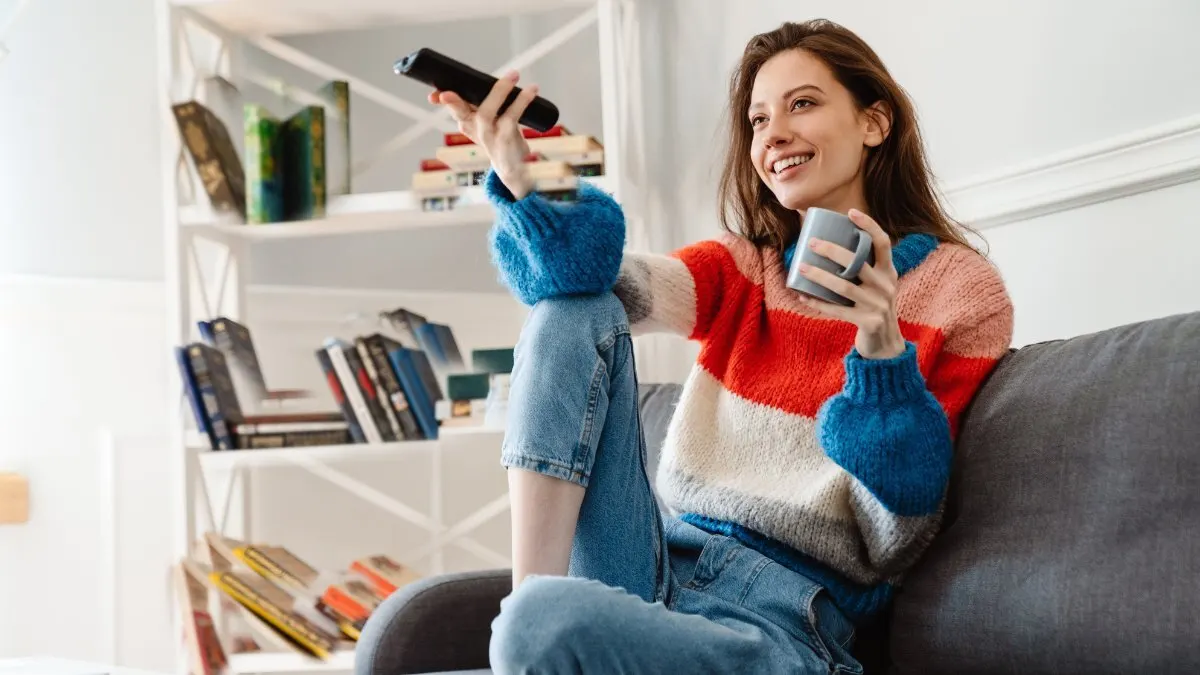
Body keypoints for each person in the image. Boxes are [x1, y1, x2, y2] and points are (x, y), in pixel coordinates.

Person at [428, 18, 1013, 675]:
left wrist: (880, 348)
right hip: (653, 568)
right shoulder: (743, 269)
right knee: (574, 308)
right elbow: (581, 279)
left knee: (542, 625)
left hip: (782, 620)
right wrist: (522, 177)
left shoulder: (960, 290)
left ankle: (532, 628)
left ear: (875, 123)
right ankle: (529, 607)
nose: (775, 134)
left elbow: (897, 536)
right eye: (759, 119)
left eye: (803, 104)